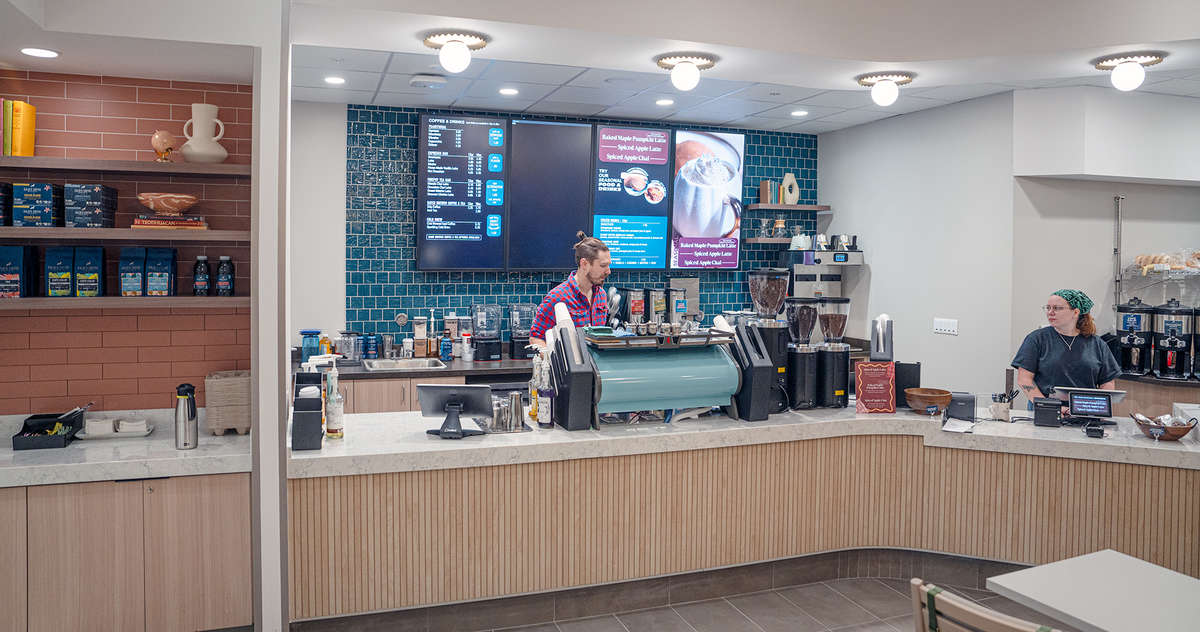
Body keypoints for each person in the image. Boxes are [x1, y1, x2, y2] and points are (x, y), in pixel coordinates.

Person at [1012, 289, 1120, 408]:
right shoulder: (1036, 339)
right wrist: (1048, 406)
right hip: (1045, 411)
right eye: (1048, 308)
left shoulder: (1097, 344)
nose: (1050, 312)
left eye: (1057, 308)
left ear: (1075, 312)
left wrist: (1099, 408)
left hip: (1084, 413)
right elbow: (1025, 379)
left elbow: (1107, 382)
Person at [529, 232, 612, 348]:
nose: (608, 271)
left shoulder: (601, 295)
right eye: (603, 266)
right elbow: (536, 338)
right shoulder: (557, 297)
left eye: (609, 265)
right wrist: (555, 362)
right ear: (584, 264)